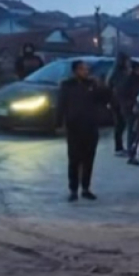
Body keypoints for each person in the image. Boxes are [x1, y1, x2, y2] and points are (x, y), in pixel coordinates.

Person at [57, 60, 109, 202]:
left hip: (90, 126)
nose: (85, 72)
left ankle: (85, 188)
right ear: (75, 71)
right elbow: (61, 105)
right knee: (74, 159)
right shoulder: (67, 85)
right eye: (82, 69)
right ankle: (73, 189)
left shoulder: (92, 85)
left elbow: (105, 99)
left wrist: (102, 86)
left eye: (86, 69)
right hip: (74, 127)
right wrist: (60, 123)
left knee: (88, 159)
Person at [120, 62, 139, 166]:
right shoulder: (129, 80)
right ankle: (131, 155)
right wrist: (131, 104)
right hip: (131, 109)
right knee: (133, 132)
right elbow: (122, 95)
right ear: (137, 69)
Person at [108, 53, 131, 156]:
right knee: (119, 125)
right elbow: (120, 87)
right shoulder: (119, 74)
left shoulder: (116, 72)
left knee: (121, 124)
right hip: (118, 102)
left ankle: (120, 147)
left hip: (117, 101)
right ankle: (118, 148)